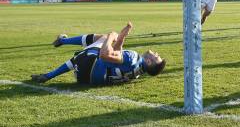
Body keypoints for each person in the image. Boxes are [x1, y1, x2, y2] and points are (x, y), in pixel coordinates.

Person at [31, 22, 165, 85]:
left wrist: (111, 36)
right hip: (86, 79)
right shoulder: (137, 71)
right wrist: (121, 38)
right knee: (94, 49)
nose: (156, 53)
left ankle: (62, 41)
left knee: (102, 38)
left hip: (88, 67)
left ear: (149, 61)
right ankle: (48, 74)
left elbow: (105, 55)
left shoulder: (133, 57)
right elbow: (116, 56)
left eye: (156, 56)